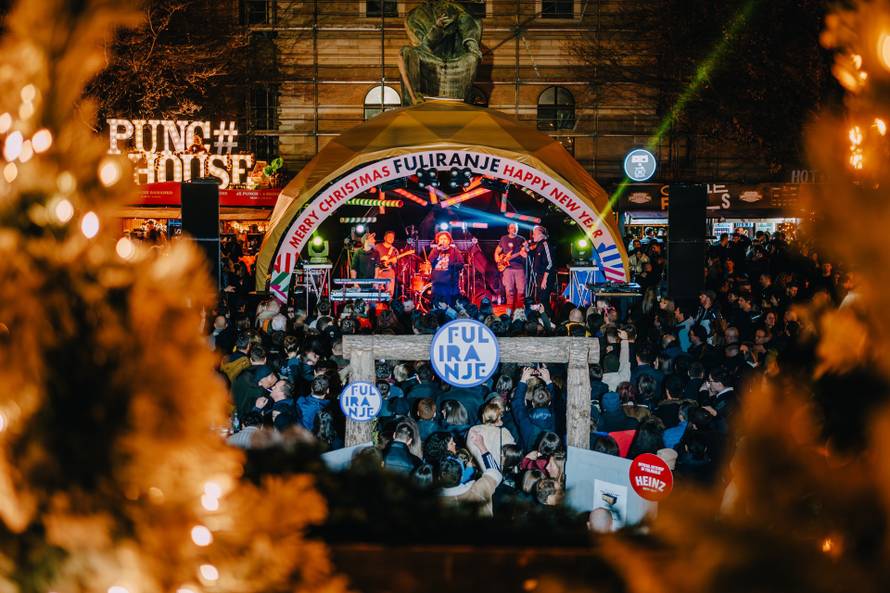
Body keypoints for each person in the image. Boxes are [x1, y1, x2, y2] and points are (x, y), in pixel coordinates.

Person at [438, 431, 502, 517]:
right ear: (461, 475)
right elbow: (495, 472)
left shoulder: (430, 502)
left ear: (439, 477)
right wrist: (481, 446)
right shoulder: (480, 488)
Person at [494, 223, 527, 314]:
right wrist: (497, 259)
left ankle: (520, 314)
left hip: (519, 268)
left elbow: (525, 253)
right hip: (507, 268)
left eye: (516, 228)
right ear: (508, 229)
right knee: (509, 292)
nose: (514, 229)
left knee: (521, 291)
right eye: (512, 228)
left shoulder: (522, 239)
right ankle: (509, 313)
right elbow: (497, 251)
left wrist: (524, 253)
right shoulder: (504, 239)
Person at [429, 229, 463, 306]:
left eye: (445, 239)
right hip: (437, 283)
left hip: (450, 284)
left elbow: (461, 264)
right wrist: (437, 250)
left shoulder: (454, 251)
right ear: (438, 241)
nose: (443, 241)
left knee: (450, 305)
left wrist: (450, 266)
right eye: (441, 239)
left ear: (449, 241)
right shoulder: (435, 251)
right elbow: (430, 260)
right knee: (436, 305)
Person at [527, 225, 555, 315]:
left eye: (534, 234)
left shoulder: (545, 244)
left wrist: (544, 279)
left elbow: (550, 263)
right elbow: (531, 254)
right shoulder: (539, 245)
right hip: (540, 276)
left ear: (540, 234)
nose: (533, 236)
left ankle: (551, 320)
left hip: (546, 276)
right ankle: (546, 320)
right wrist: (526, 248)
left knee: (544, 300)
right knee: (541, 299)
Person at [375, 230, 400, 298]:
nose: (391, 238)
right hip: (378, 273)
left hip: (389, 273)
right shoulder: (377, 247)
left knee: (389, 294)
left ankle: (389, 306)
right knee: (377, 292)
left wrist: (394, 262)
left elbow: (396, 266)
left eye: (392, 237)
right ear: (384, 238)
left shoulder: (395, 250)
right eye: (389, 236)